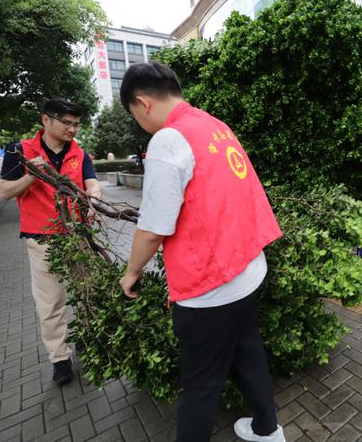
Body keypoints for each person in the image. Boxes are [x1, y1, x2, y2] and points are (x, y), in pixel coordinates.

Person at [117, 62, 285, 442]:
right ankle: (267, 430)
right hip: (249, 268)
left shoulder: (168, 139)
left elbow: (154, 228)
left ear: (142, 103)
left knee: (200, 386)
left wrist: (131, 273)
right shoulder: (214, 125)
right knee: (248, 350)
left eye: (133, 114)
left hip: (211, 286)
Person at [0, 98, 101, 384]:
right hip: (42, 239)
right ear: (46, 120)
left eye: (76, 124)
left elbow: (91, 181)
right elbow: (5, 191)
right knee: (51, 303)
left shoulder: (79, 153)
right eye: (66, 123)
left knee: (86, 292)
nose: (72, 129)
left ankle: (88, 341)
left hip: (78, 236)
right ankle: (60, 358)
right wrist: (32, 176)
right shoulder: (19, 150)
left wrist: (93, 199)